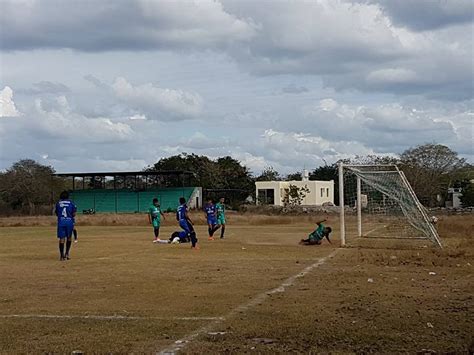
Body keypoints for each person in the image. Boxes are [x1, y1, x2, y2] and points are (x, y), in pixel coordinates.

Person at [54, 191, 77, 260]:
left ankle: (61, 256)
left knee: (62, 239)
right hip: (69, 222)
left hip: (61, 222)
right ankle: (67, 253)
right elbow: (74, 213)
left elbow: (57, 213)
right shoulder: (71, 203)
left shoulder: (58, 203)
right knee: (69, 237)